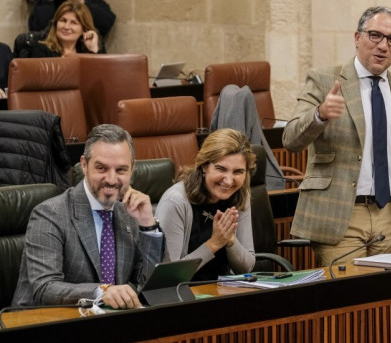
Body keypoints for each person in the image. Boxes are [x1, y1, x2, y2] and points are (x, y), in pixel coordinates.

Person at [283, 6, 391, 266]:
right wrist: (319, 114)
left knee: (384, 302)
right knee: (346, 298)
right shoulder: (324, 80)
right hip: (340, 213)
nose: (383, 46)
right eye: (375, 35)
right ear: (357, 38)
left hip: (388, 214)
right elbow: (290, 139)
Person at [12, 124, 164, 309]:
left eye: (121, 170)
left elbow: (148, 285)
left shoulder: (130, 213)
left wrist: (148, 226)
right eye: (101, 168)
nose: (111, 179)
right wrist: (102, 291)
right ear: (84, 165)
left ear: (132, 169)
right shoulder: (49, 214)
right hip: (48, 323)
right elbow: (45, 288)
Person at [155, 128, 257, 280]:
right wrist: (215, 243)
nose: (229, 181)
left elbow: (246, 267)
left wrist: (230, 241)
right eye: (221, 169)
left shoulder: (240, 195)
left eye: (238, 172)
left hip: (224, 292)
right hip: (183, 294)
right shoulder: (175, 201)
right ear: (204, 166)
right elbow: (167, 277)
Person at [18, 0, 104, 58]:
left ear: (84, 29)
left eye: (73, 23)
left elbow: (102, 80)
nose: (66, 27)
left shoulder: (87, 53)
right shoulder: (41, 50)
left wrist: (93, 49)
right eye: (63, 20)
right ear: (55, 24)